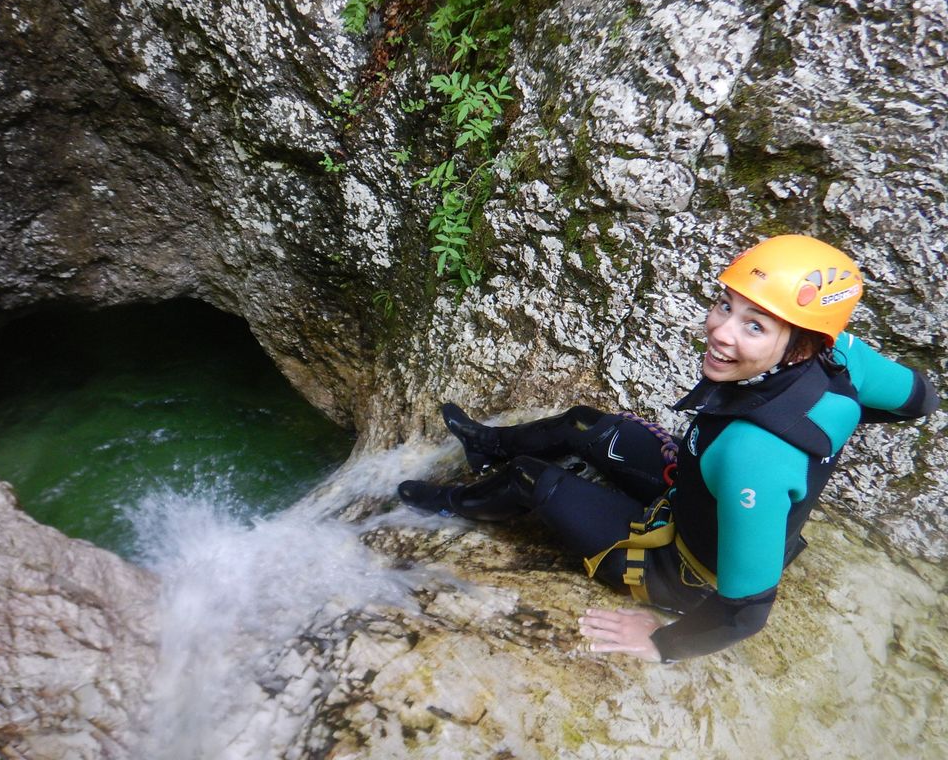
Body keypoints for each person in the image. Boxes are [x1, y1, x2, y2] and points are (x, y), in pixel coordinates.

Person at [398, 235, 939, 662]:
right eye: (725, 306)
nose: (721, 332)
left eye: (754, 326)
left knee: (530, 479)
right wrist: (833, 415)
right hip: (692, 490)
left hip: (679, 571)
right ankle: (486, 444)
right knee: (586, 425)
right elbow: (920, 399)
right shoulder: (843, 357)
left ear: (800, 346)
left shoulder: (756, 456)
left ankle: (450, 505)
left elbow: (746, 611)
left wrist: (663, 643)